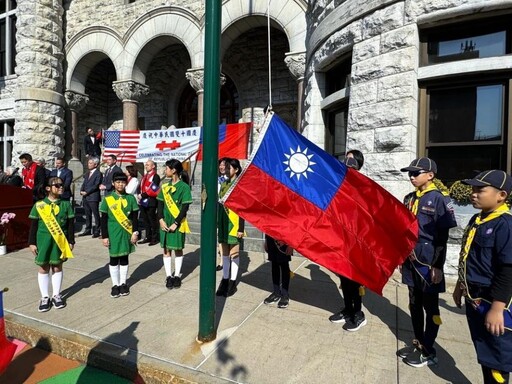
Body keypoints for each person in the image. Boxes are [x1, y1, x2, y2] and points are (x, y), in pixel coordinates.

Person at [397, 157, 457, 368]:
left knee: (430, 306)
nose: (412, 177)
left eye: (416, 173)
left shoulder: (440, 199)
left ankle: (429, 350)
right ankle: (419, 341)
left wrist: (438, 266)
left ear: (430, 175)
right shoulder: (409, 198)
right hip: (410, 256)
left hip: (428, 257)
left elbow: (442, 237)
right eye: (410, 173)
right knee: (414, 301)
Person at [453, 170, 512, 384]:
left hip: (492, 301)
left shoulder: (504, 224)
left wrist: (497, 308)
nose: (474, 194)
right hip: (474, 298)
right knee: (485, 352)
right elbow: (469, 257)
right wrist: (461, 285)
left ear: (502, 195)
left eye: (481, 190)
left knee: (497, 360)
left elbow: (508, 270)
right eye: (473, 189)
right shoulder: (477, 219)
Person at [329, 155, 368, 331]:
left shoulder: (364, 190)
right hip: (341, 243)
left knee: (355, 281)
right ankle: (347, 309)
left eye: (352, 163)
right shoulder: (340, 189)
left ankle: (358, 314)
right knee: (344, 280)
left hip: (357, 245)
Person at [28, 177, 75, 312]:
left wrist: (71, 241)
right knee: (44, 267)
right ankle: (44, 297)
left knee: (57, 266)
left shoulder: (66, 204)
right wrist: (32, 243)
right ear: (48, 188)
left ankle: (56, 295)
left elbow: (71, 225)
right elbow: (34, 225)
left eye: (62, 185)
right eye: (57, 185)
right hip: (43, 240)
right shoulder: (39, 205)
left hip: (60, 241)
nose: (61, 187)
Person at [100, 172, 139, 298]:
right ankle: (115, 284)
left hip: (126, 232)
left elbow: (135, 218)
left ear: (126, 183)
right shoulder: (108, 199)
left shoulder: (130, 198)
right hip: (113, 232)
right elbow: (103, 219)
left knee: (124, 258)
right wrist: (105, 236)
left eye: (122, 182)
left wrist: (135, 232)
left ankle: (123, 283)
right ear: (113, 183)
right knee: (113, 258)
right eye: (117, 182)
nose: (120, 184)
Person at [157, 159, 192, 289]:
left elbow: (184, 207)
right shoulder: (165, 186)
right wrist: (160, 219)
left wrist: (176, 223)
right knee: (166, 249)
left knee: (178, 249)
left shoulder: (184, 187)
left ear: (174, 170)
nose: (165, 171)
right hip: (165, 222)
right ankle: (168, 276)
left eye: (166, 168)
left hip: (177, 223)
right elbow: (159, 205)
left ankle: (177, 275)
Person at [216, 158, 245, 297]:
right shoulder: (224, 184)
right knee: (225, 253)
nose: (226, 170)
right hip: (223, 222)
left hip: (234, 223)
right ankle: (225, 279)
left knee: (234, 254)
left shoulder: (239, 185)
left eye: (229, 168)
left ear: (236, 169)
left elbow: (242, 209)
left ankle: (233, 281)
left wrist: (240, 228)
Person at [263, 234, 293, 308]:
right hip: (271, 239)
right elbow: (267, 225)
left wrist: (291, 245)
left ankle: (285, 295)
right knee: (274, 265)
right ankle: (276, 292)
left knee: (284, 266)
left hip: (284, 239)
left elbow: (293, 226)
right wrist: (266, 240)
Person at [138, 160, 160, 246]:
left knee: (152, 220)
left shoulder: (155, 176)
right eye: (145, 165)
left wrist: (143, 195)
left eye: (148, 165)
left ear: (153, 166)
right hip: (143, 201)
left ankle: (154, 238)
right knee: (146, 220)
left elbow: (154, 189)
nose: (146, 166)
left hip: (151, 201)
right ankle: (148, 237)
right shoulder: (145, 176)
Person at [79, 157, 103, 238]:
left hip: (93, 197)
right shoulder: (87, 173)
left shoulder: (98, 174)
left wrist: (87, 192)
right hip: (85, 197)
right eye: (88, 163)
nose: (88, 165)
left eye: (90, 163)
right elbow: (84, 183)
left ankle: (97, 230)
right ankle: (88, 229)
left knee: (95, 214)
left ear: (95, 164)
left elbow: (96, 185)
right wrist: (81, 190)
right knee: (87, 214)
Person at [216, 158, 229, 271]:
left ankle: (228, 257)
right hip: (218, 208)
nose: (221, 167)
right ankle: (221, 260)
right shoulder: (217, 179)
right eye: (220, 165)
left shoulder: (231, 180)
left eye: (224, 165)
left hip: (228, 210)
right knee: (219, 234)